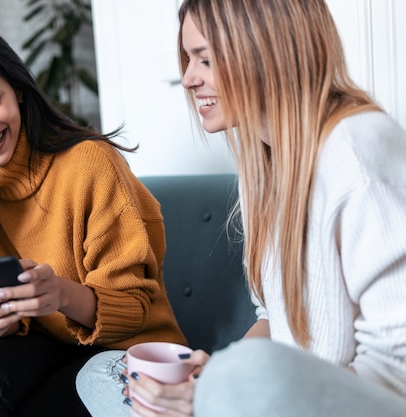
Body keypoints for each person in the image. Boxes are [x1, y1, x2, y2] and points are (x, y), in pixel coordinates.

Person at [76, 0, 406, 416]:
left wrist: (231, 387)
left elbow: (397, 370)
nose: (189, 78)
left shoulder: (358, 147)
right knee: (103, 372)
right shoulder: (265, 166)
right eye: (189, 59)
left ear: (265, 52)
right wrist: (207, 377)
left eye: (206, 59)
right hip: (270, 397)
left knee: (241, 372)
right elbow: (274, 320)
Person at [0, 16, 187, 417]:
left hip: (121, 353)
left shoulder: (89, 163)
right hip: (46, 349)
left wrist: (59, 294)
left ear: (16, 88)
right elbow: (12, 319)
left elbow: (135, 308)